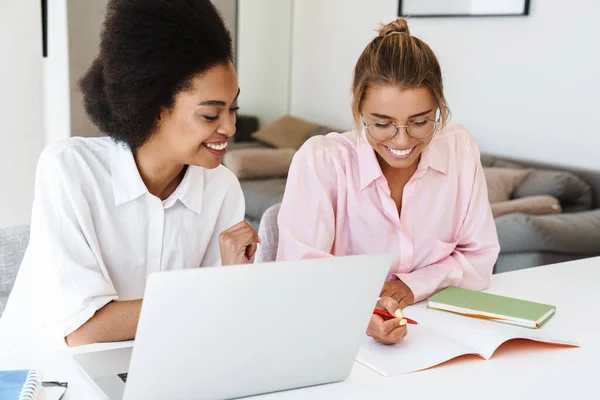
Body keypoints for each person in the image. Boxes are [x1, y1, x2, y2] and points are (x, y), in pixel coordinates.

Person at [1, 0, 259, 347]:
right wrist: (215, 293)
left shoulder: (222, 189)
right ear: (154, 108)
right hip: (49, 376)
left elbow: (218, 322)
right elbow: (84, 330)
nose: (229, 127)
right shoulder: (69, 170)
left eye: (233, 109)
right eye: (211, 115)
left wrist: (232, 288)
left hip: (161, 366)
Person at [276, 18, 500, 345]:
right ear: (358, 109)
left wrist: (413, 285)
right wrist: (361, 314)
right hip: (338, 337)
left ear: (439, 106)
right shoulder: (322, 161)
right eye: (382, 124)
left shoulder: (458, 148)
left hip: (440, 335)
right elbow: (300, 278)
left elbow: (480, 259)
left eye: (421, 122)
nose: (401, 141)